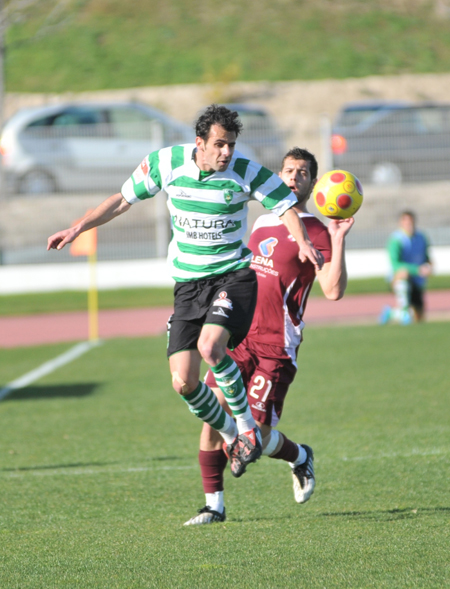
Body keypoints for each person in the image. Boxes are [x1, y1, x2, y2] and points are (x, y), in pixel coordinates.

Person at [47, 105, 324, 476]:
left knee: (212, 347)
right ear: (200, 143)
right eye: (220, 145)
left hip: (232, 278)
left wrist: (302, 240)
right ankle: (232, 435)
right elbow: (122, 200)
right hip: (188, 287)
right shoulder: (166, 163)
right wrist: (78, 227)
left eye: (231, 145)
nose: (227, 152)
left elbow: (285, 203)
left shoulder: (246, 170)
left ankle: (246, 430)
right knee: (183, 382)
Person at [184, 147, 354, 525]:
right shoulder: (262, 222)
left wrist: (338, 238)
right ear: (279, 175)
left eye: (303, 172)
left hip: (276, 345)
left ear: (313, 183)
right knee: (213, 419)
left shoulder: (315, 230)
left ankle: (299, 456)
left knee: (256, 438)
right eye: (289, 170)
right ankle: (214, 506)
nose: (294, 176)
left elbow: (333, 289)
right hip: (240, 337)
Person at [379, 210, 432, 325]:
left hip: (417, 280)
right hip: (400, 278)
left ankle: (391, 313)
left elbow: (426, 257)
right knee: (403, 273)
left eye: (411, 222)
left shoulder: (421, 237)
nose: (409, 225)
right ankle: (404, 311)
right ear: (401, 223)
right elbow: (395, 264)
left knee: (419, 316)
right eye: (406, 222)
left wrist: (429, 266)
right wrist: (416, 269)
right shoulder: (396, 239)